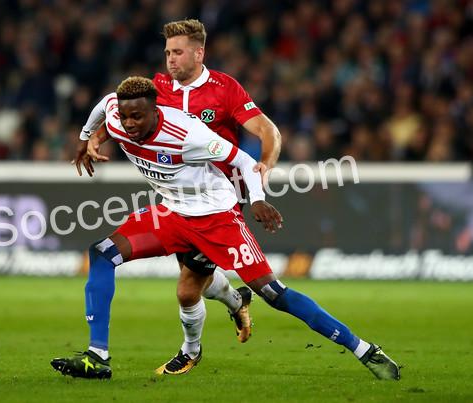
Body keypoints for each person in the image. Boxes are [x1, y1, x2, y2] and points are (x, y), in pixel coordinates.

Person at [52, 77, 400, 381]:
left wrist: (258, 199)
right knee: (103, 253)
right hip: (171, 213)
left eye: (137, 116)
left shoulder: (189, 135)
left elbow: (245, 162)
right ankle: (98, 358)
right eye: (125, 116)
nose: (129, 124)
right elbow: (104, 105)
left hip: (216, 217)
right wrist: (85, 137)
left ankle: (364, 349)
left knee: (272, 293)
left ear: (156, 110)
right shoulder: (117, 113)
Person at [75, 19, 282, 367]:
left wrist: (264, 167)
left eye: (178, 52)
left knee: (187, 290)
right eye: (167, 52)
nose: (170, 59)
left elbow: (267, 130)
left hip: (218, 200)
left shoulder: (224, 89)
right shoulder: (157, 88)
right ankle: (236, 301)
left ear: (199, 54)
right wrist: (94, 136)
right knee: (197, 279)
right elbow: (125, 114)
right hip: (177, 200)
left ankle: (191, 351)